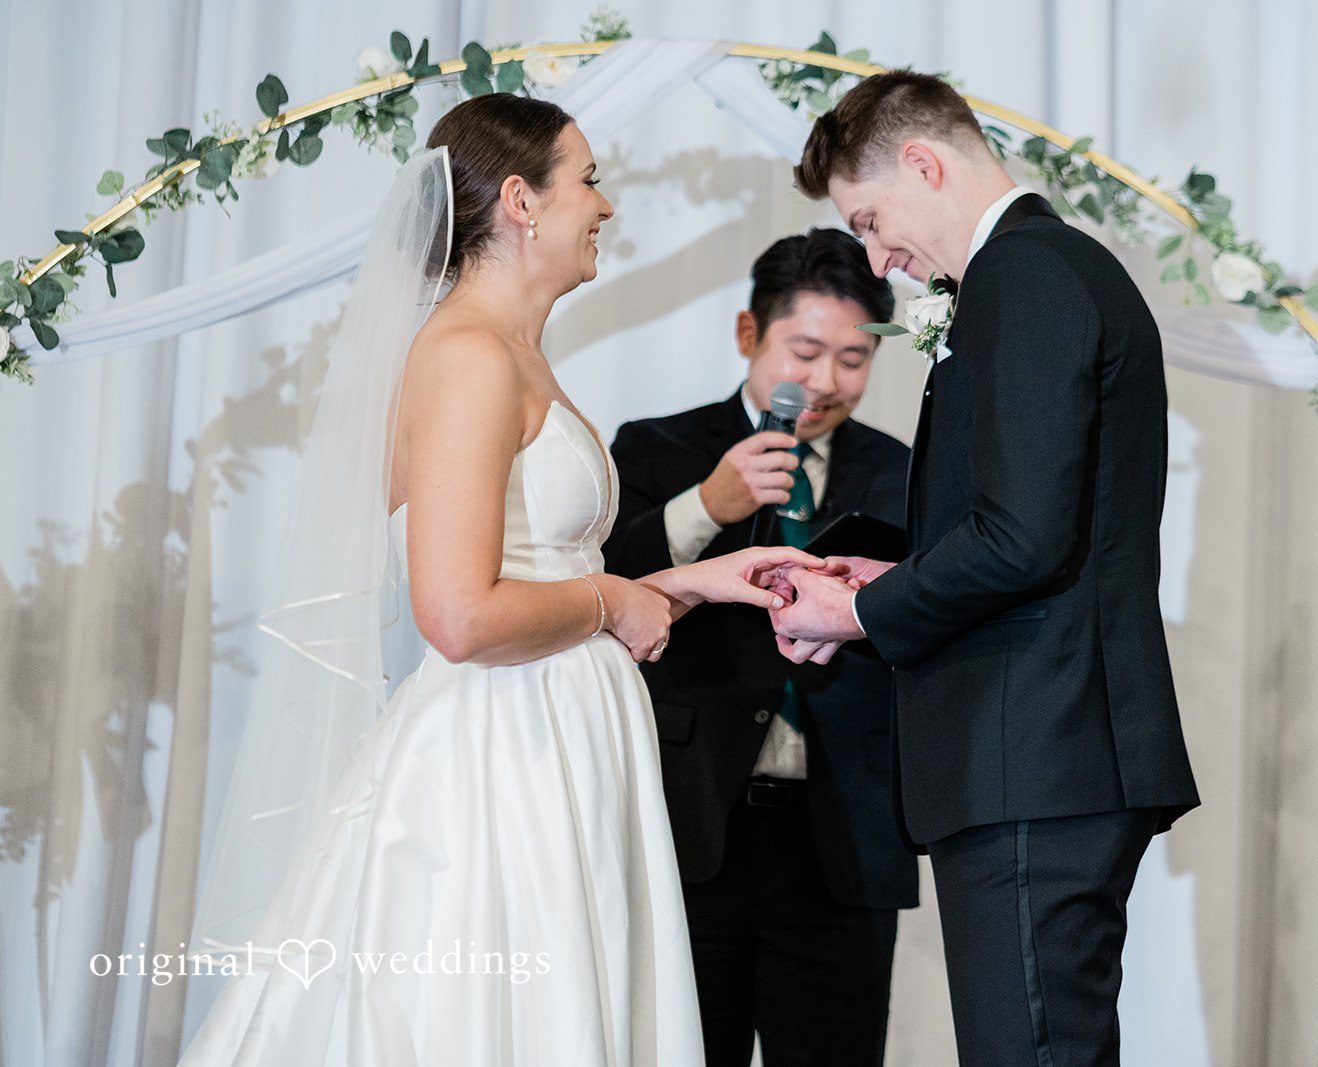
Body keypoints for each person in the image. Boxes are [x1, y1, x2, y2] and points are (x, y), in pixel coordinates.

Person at [178, 93, 831, 1065]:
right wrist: (614, 600)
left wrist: (704, 578)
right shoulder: (470, 355)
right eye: (590, 180)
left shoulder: (515, 352)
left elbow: (546, 563)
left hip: (558, 726)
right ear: (521, 201)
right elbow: (457, 611)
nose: (605, 207)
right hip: (502, 750)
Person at [770, 71, 1202, 1065]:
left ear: (925, 163)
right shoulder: (1040, 272)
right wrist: (880, 581)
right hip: (1042, 746)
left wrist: (856, 617)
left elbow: (1022, 536)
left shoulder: (1028, 275)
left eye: (872, 218)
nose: (880, 257)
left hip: (1033, 748)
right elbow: (1037, 524)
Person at [603, 228, 917, 1066]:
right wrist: (705, 503)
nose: (824, 382)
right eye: (804, 350)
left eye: (853, 359)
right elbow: (602, 592)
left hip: (841, 833)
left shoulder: (901, 471)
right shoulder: (653, 447)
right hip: (694, 821)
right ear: (750, 335)